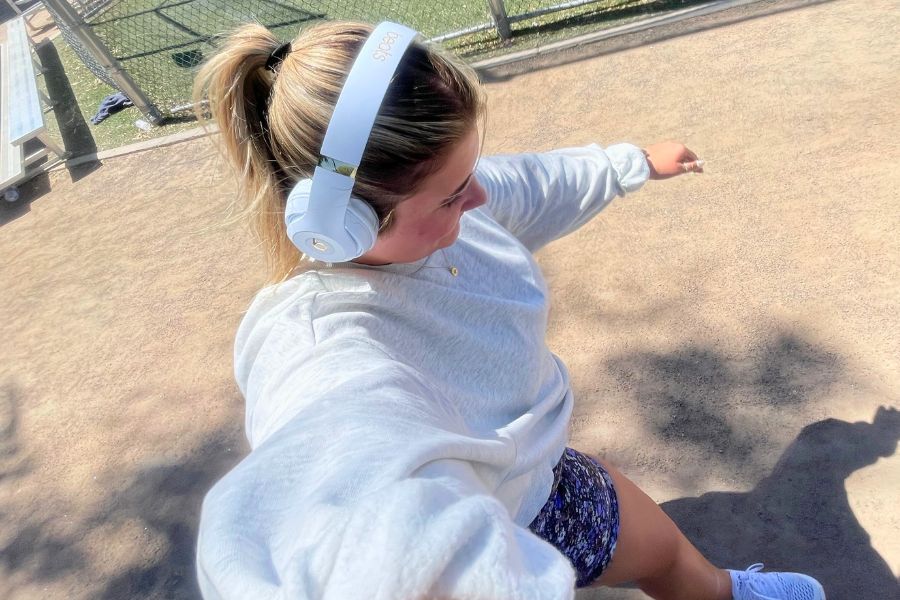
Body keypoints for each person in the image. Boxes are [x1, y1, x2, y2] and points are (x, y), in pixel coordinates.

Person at [193, 20, 827, 600]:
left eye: (469, 171)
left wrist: (629, 164)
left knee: (660, 547)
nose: (478, 196)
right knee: (662, 552)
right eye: (450, 196)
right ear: (342, 226)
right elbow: (322, 472)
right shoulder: (323, 339)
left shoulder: (454, 210)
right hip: (523, 507)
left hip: (531, 464)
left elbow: (533, 181)